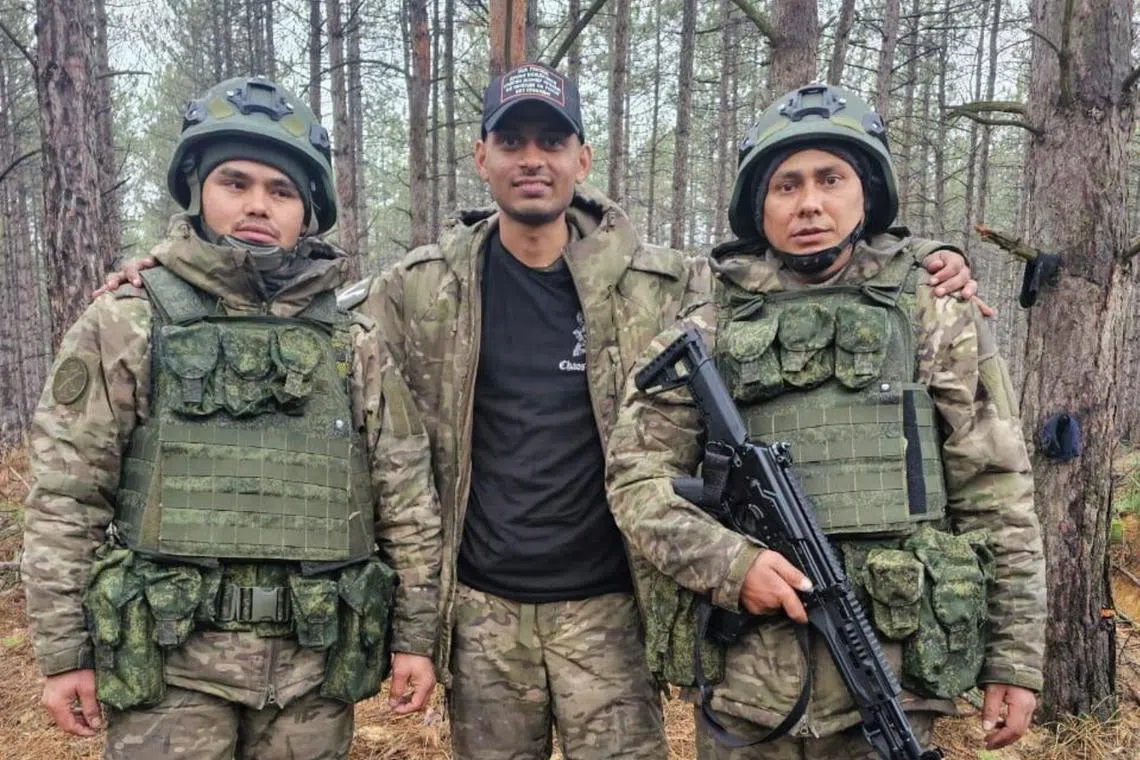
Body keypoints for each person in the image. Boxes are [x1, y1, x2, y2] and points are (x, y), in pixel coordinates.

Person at [96, 67, 979, 759]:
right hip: (482, 612)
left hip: (610, 611)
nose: (532, 157)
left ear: (581, 159)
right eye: (511, 139)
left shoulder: (664, 286)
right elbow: (286, 314)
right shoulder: (418, 291)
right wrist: (163, 274)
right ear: (482, 157)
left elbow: (793, 282)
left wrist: (934, 259)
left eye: (551, 140)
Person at [605, 83, 1045, 760]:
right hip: (749, 695)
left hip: (890, 677)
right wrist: (733, 564)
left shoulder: (931, 310)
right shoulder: (708, 323)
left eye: (830, 179)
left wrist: (1013, 659)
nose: (809, 203)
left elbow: (995, 490)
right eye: (786, 185)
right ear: (761, 205)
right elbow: (637, 482)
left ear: (866, 193)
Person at [21, 75, 440, 760]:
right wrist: (65, 649)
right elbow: (67, 496)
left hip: (312, 666)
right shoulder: (128, 321)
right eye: (234, 182)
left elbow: (406, 498)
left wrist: (415, 637)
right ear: (196, 189)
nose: (256, 205)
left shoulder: (351, 342)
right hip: (167, 666)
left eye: (281, 191)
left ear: (308, 210)